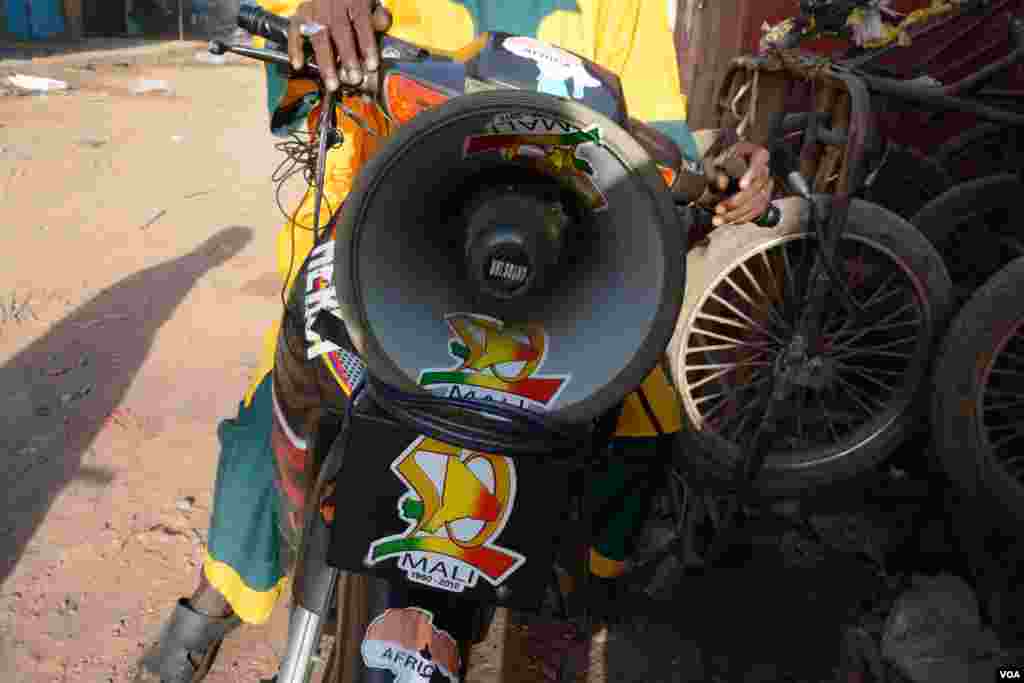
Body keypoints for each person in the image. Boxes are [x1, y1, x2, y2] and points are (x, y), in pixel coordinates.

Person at [144, 1, 775, 681]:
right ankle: (226, 587)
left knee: (643, 427)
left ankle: (565, 607)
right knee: (276, 411)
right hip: (381, 234)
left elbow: (664, 140)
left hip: (557, 278)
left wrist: (718, 172)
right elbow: (290, 25)